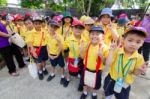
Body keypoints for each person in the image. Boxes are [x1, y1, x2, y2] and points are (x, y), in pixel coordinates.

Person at [104, 26, 149, 99]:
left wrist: (139, 70)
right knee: (108, 93)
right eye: (130, 40)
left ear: (142, 44)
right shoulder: (117, 51)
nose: (133, 44)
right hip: (111, 79)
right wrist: (111, 51)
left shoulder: (139, 58)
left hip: (125, 83)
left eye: (138, 42)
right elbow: (108, 64)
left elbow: (135, 73)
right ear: (123, 40)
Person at [80, 26, 109, 99]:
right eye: (92, 34)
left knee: (96, 85)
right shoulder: (87, 45)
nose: (95, 36)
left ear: (103, 36)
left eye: (97, 34)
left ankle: (94, 94)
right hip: (86, 68)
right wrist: (81, 50)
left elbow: (106, 63)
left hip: (97, 71)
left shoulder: (104, 48)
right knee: (84, 82)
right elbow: (82, 57)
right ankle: (85, 92)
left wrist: (101, 56)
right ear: (89, 35)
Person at [63, 19, 87, 87]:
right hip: (72, 59)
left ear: (83, 30)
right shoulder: (68, 39)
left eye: (80, 28)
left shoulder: (85, 40)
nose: (78, 30)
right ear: (72, 28)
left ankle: (81, 83)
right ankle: (68, 79)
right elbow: (64, 48)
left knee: (80, 71)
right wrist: (60, 40)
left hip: (81, 59)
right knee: (70, 71)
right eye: (76, 28)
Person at [26, 16, 48, 80]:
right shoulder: (31, 32)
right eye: (36, 24)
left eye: (39, 23)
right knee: (39, 62)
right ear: (33, 24)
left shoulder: (44, 31)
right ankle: (40, 72)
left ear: (41, 24)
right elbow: (30, 43)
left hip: (44, 48)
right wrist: (33, 52)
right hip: (37, 49)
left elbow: (46, 39)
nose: (38, 25)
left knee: (44, 60)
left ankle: (44, 68)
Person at [46, 20, 65, 85]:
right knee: (53, 65)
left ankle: (62, 76)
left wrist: (58, 41)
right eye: (51, 26)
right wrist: (48, 54)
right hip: (51, 54)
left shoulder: (59, 36)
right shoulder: (47, 35)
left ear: (57, 28)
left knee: (61, 66)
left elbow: (62, 48)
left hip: (59, 54)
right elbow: (47, 45)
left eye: (55, 27)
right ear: (48, 26)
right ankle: (52, 73)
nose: (53, 28)